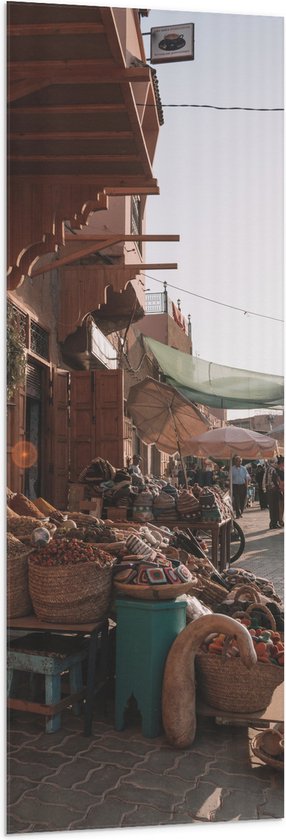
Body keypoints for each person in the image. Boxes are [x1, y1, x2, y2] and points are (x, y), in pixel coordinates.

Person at [262, 458, 281, 529]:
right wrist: (278, 487)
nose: (276, 464)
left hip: (269, 490)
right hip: (273, 490)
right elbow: (274, 480)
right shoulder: (272, 470)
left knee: (272, 508)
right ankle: (274, 523)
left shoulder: (267, 469)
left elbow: (265, 480)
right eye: (275, 462)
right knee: (275, 507)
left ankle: (272, 523)